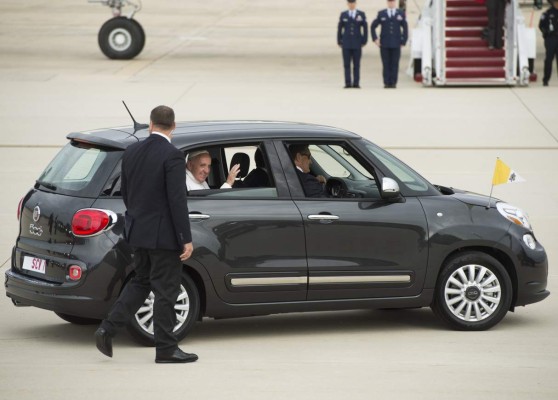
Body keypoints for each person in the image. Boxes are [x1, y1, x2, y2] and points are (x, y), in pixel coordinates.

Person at [95, 105, 198, 364]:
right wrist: (185, 237)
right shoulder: (173, 156)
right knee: (166, 291)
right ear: (173, 127)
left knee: (141, 282)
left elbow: (126, 194)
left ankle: (107, 328)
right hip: (164, 237)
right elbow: (177, 200)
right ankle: (166, 349)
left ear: (151, 124)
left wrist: (139, 220)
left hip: (138, 232)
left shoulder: (132, 151)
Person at [371, 0, 408, 88]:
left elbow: (405, 27)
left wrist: (403, 41)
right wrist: (375, 39)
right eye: (389, 2)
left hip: (396, 43)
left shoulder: (400, 13)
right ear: (387, 3)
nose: (391, 3)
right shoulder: (382, 14)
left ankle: (393, 82)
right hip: (384, 44)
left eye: (392, 2)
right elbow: (373, 26)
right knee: (386, 63)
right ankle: (387, 82)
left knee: (395, 63)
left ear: (395, 2)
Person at [337, 0, 368, 88]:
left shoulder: (361, 14)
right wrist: (339, 40)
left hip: (357, 43)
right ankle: (347, 83)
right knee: (346, 64)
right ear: (347, 4)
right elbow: (340, 29)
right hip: (346, 43)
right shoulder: (344, 14)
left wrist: (364, 40)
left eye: (353, 3)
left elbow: (365, 28)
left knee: (356, 64)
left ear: (355, 3)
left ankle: (356, 83)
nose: (351, 5)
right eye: (350, 3)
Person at [539, 0, 558, 86]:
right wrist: (546, 34)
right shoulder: (547, 13)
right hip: (551, 39)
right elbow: (541, 25)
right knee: (548, 60)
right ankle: (546, 79)